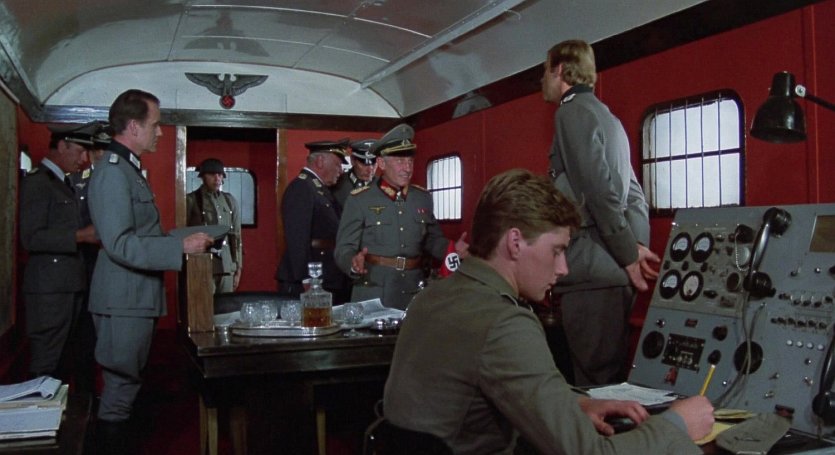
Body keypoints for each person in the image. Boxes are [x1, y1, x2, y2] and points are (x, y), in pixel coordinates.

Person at [383, 169, 713, 454]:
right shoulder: (506, 323)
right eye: (556, 250)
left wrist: (574, 403)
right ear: (515, 242)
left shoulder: (435, 296)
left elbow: (496, 379)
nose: (564, 268)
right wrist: (677, 425)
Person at [86, 89, 213, 449]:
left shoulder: (127, 169)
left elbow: (138, 235)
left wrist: (180, 238)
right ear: (133, 126)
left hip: (132, 298)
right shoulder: (114, 172)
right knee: (120, 389)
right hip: (123, 299)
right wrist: (179, 246)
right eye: (155, 125)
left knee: (127, 386)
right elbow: (120, 243)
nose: (159, 132)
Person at [542, 39, 660, 386]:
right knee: (609, 380)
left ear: (560, 70)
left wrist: (628, 255)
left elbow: (596, 190)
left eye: (545, 72)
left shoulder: (571, 112)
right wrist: (636, 246)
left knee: (594, 386)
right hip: (613, 275)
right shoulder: (609, 118)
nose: (542, 81)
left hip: (591, 274)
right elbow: (635, 195)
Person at [335, 124, 467, 310]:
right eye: (400, 161)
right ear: (381, 163)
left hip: (414, 291)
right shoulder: (360, 200)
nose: (407, 168)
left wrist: (451, 249)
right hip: (374, 292)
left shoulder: (422, 198)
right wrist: (352, 262)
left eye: (410, 161)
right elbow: (343, 248)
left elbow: (432, 240)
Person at [19, 122, 98, 382]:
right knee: (47, 361)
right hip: (49, 290)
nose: (84, 159)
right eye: (80, 151)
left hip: (67, 285)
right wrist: (80, 236)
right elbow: (31, 237)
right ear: (62, 146)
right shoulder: (39, 183)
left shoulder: (64, 183)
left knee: (64, 362)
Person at [276, 139, 352, 304]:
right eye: (338, 164)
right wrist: (307, 278)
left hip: (326, 274)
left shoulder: (319, 189)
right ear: (320, 161)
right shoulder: (302, 188)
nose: (341, 170)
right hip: (309, 280)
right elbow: (297, 238)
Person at [66, 120, 111, 394]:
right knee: (82, 336)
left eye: (107, 149)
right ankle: (85, 397)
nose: (102, 155)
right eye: (98, 150)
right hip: (81, 266)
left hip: (108, 268)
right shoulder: (75, 182)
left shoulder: (118, 181)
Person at [186, 158, 243, 293]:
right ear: (203, 177)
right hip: (202, 264)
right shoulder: (191, 200)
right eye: (212, 174)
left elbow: (236, 235)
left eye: (220, 175)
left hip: (227, 265)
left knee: (226, 304)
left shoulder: (229, 200)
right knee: (203, 303)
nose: (217, 178)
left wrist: (238, 266)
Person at [332, 138, 377, 208]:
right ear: (352, 160)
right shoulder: (336, 184)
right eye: (364, 164)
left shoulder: (383, 186)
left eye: (374, 164)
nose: (370, 170)